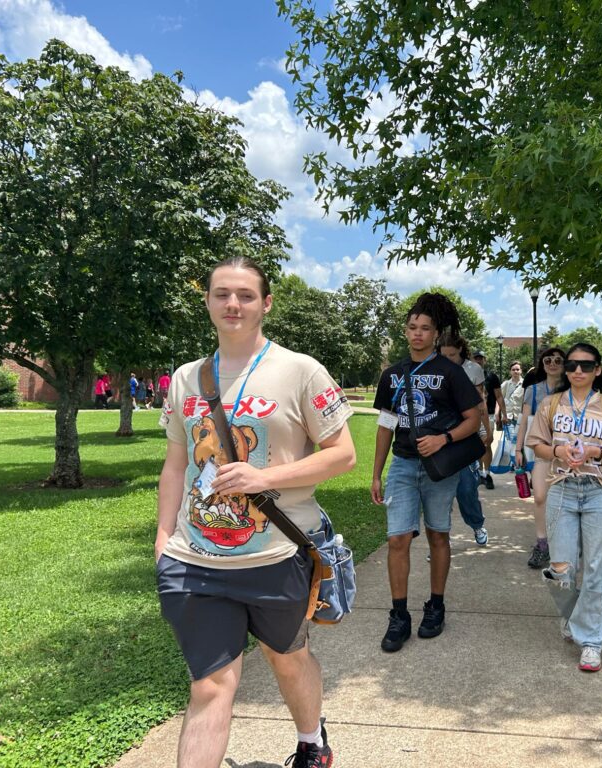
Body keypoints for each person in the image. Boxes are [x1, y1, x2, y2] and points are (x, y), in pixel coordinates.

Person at [156, 255, 355, 768]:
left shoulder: (300, 371)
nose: (233, 303)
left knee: (286, 658)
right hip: (195, 561)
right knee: (210, 682)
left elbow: (342, 454)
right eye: (221, 293)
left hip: (276, 556)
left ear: (265, 303)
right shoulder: (186, 379)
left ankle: (312, 742)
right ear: (206, 301)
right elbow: (176, 466)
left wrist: (264, 478)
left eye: (245, 294)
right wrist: (163, 543)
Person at [371, 292, 481, 653]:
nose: (418, 334)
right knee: (397, 539)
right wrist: (376, 473)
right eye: (412, 328)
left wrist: (443, 438)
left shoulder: (450, 372)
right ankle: (399, 615)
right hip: (402, 464)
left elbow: (474, 420)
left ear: (436, 334)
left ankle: (436, 605)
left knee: (438, 536)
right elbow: (386, 424)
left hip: (438, 467)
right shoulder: (392, 376)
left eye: (425, 328)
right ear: (405, 332)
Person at [525, 343, 602, 673]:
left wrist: (593, 452)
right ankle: (573, 615)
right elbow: (536, 444)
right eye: (572, 365)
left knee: (597, 568)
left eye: (586, 366)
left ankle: (591, 642)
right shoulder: (552, 404)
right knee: (561, 568)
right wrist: (558, 451)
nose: (578, 371)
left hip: (600, 491)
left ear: (598, 370)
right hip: (563, 490)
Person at [515, 347, 566, 569]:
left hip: (566, 451)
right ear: (542, 364)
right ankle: (542, 544)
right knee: (540, 497)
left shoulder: (572, 388)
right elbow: (524, 421)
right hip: (540, 448)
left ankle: (564, 543)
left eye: (557, 360)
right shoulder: (533, 390)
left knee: (565, 499)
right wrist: (518, 450)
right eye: (548, 360)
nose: (553, 363)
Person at [439, 334, 489, 546]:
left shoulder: (473, 370)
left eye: (452, 354)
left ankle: (477, 525)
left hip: (467, 435)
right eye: (444, 355)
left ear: (461, 350)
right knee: (440, 493)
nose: (448, 358)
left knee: (467, 488)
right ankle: (440, 539)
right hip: (440, 435)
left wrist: (486, 429)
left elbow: (480, 403)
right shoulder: (434, 368)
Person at [472, 351, 505, 489]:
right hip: (471, 415)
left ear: (484, 360)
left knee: (487, 443)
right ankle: (479, 473)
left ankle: (488, 472)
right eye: (476, 358)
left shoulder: (491, 376)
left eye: (481, 358)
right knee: (476, 445)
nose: (479, 360)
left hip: (489, 414)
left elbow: (499, 396)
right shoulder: (467, 374)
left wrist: (504, 414)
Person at [500, 361, 524, 429]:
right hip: (508, 417)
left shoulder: (525, 384)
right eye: (513, 370)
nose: (515, 371)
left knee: (519, 438)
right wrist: (497, 415)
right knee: (510, 439)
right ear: (510, 371)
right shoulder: (505, 384)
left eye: (517, 369)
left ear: (521, 371)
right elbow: (499, 400)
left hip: (520, 418)